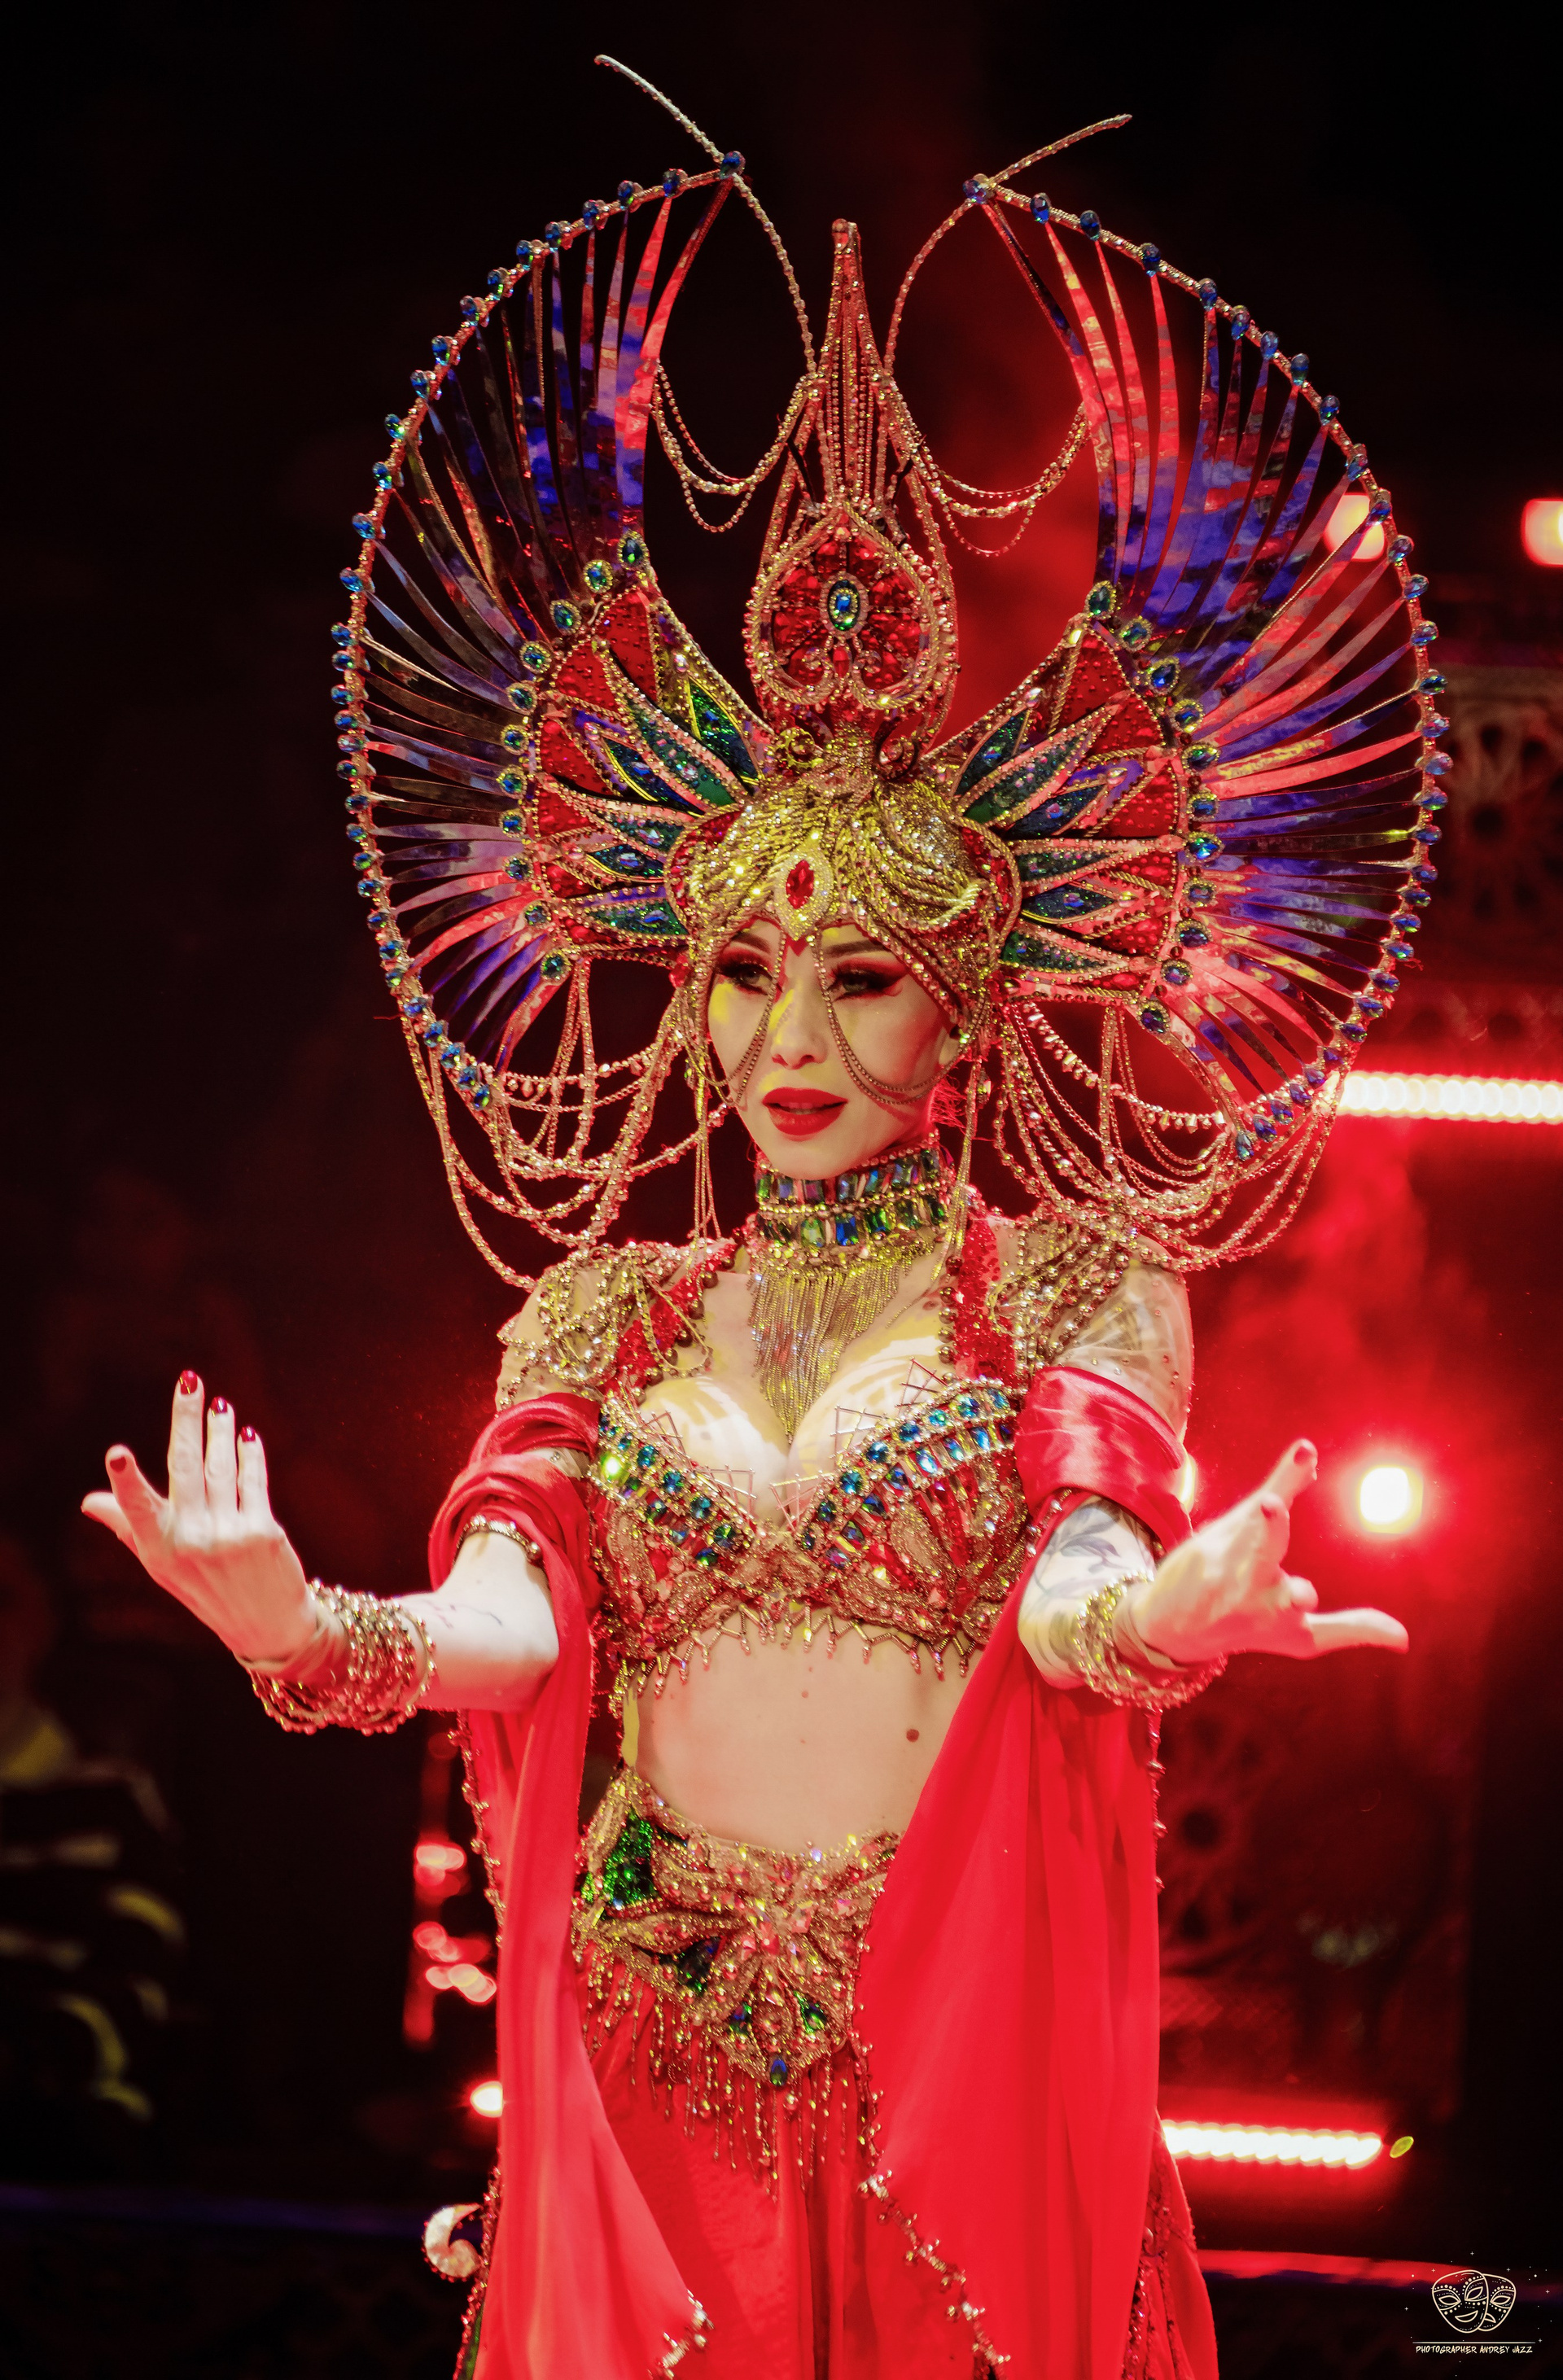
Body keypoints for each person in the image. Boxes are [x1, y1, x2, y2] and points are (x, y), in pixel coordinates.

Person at [82, 72, 1433, 2380]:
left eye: (862, 974)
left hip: (953, 2061)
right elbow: (517, 1620)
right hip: (658, 2067)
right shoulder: (602, 1313)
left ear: (972, 1006)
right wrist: (305, 1623)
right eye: (736, 969)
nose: (782, 1033)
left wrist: (1157, 1620)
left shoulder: (1073, 1285)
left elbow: (1071, 1584)